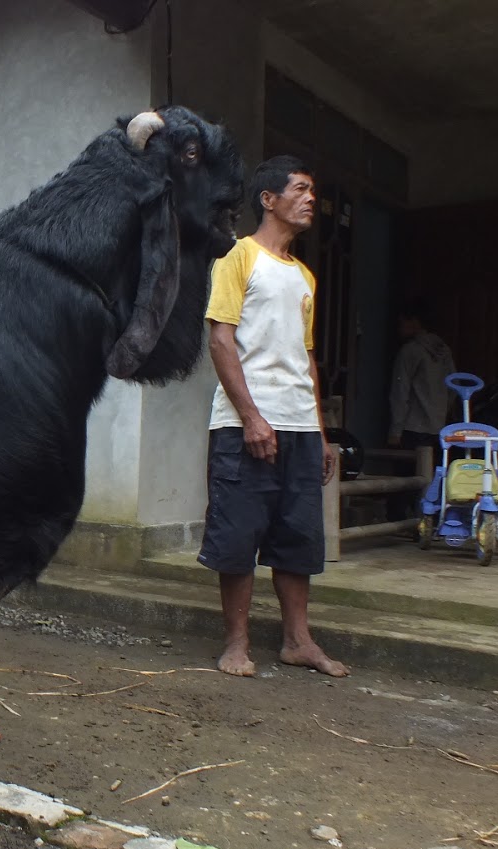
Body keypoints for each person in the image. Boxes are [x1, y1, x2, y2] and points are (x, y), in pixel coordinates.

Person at [198, 155, 349, 679]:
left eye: (313, 190)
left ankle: (297, 641)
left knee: (298, 537)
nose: (311, 199)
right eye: (301, 189)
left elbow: (306, 358)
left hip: (301, 429)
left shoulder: (304, 275)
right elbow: (220, 340)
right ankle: (236, 644)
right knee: (238, 536)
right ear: (268, 198)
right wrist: (252, 418)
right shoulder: (237, 257)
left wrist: (322, 433)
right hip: (245, 425)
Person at [388, 307, 456, 450]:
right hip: (439, 427)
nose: (399, 329)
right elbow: (453, 387)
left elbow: (400, 393)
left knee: (411, 470)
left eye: (402, 323)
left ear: (414, 322)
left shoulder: (410, 351)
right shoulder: (444, 350)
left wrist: (395, 430)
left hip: (413, 427)